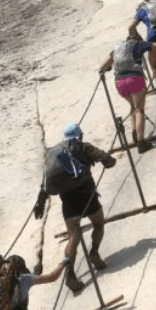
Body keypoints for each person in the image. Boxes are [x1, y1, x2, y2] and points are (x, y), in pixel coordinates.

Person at [33, 123, 116, 292]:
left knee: (73, 237)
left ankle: (70, 273)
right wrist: (109, 161)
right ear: (79, 135)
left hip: (69, 203)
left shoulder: (53, 153)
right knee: (99, 224)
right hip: (87, 195)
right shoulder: (82, 146)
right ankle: (94, 252)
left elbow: (45, 183)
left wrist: (40, 203)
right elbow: (105, 159)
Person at [100, 32, 156, 153]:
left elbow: (103, 65)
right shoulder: (138, 44)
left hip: (119, 82)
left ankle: (134, 132)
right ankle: (141, 142)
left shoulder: (118, 47)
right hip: (135, 79)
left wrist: (109, 68)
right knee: (139, 110)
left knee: (133, 106)